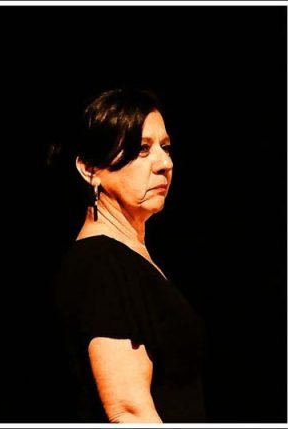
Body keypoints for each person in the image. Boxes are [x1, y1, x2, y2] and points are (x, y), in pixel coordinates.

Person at [54, 88, 205, 422]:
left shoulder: (128, 258)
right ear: (90, 169)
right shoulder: (101, 264)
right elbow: (129, 411)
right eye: (142, 149)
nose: (165, 164)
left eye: (165, 147)